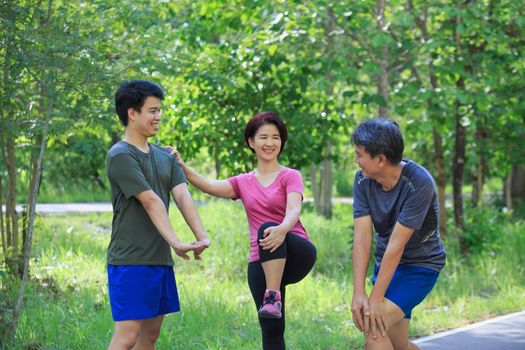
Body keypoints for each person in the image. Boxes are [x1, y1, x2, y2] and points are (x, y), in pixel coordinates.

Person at [172, 111, 317, 350]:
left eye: (276, 137)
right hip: (261, 258)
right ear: (251, 141)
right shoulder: (243, 182)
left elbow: (294, 209)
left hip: (296, 251)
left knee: (268, 229)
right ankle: (273, 298)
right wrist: (183, 167)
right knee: (271, 331)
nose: (270, 143)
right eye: (263, 137)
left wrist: (282, 229)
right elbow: (210, 186)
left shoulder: (290, 176)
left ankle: (272, 295)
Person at [106, 80, 210, 350]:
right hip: (130, 259)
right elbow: (151, 200)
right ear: (132, 113)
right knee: (127, 337)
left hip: (159, 259)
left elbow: (182, 195)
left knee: (149, 337)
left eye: (159, 110)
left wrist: (201, 236)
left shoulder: (166, 156)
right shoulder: (120, 154)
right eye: (152, 110)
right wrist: (176, 242)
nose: (158, 116)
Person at [350, 118, 446, 350]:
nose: (356, 160)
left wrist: (374, 300)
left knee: (374, 328)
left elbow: (396, 246)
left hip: (420, 267)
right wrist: (359, 292)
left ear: (381, 159)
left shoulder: (419, 182)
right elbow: (362, 239)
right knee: (399, 344)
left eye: (360, 154)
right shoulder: (363, 180)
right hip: (386, 267)